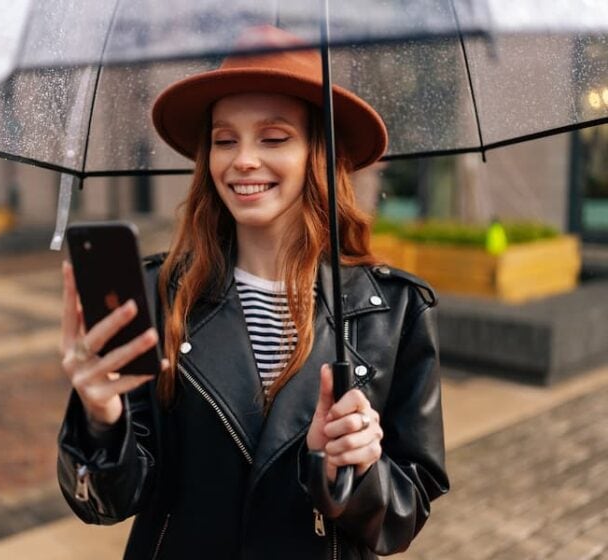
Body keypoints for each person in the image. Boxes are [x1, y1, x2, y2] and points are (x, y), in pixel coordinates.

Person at [56, 25, 448, 560]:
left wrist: (349, 472)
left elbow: (402, 516)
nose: (242, 160)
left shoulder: (394, 312)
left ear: (319, 152)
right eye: (224, 139)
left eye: (273, 137)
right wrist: (102, 417)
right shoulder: (157, 294)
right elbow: (108, 502)